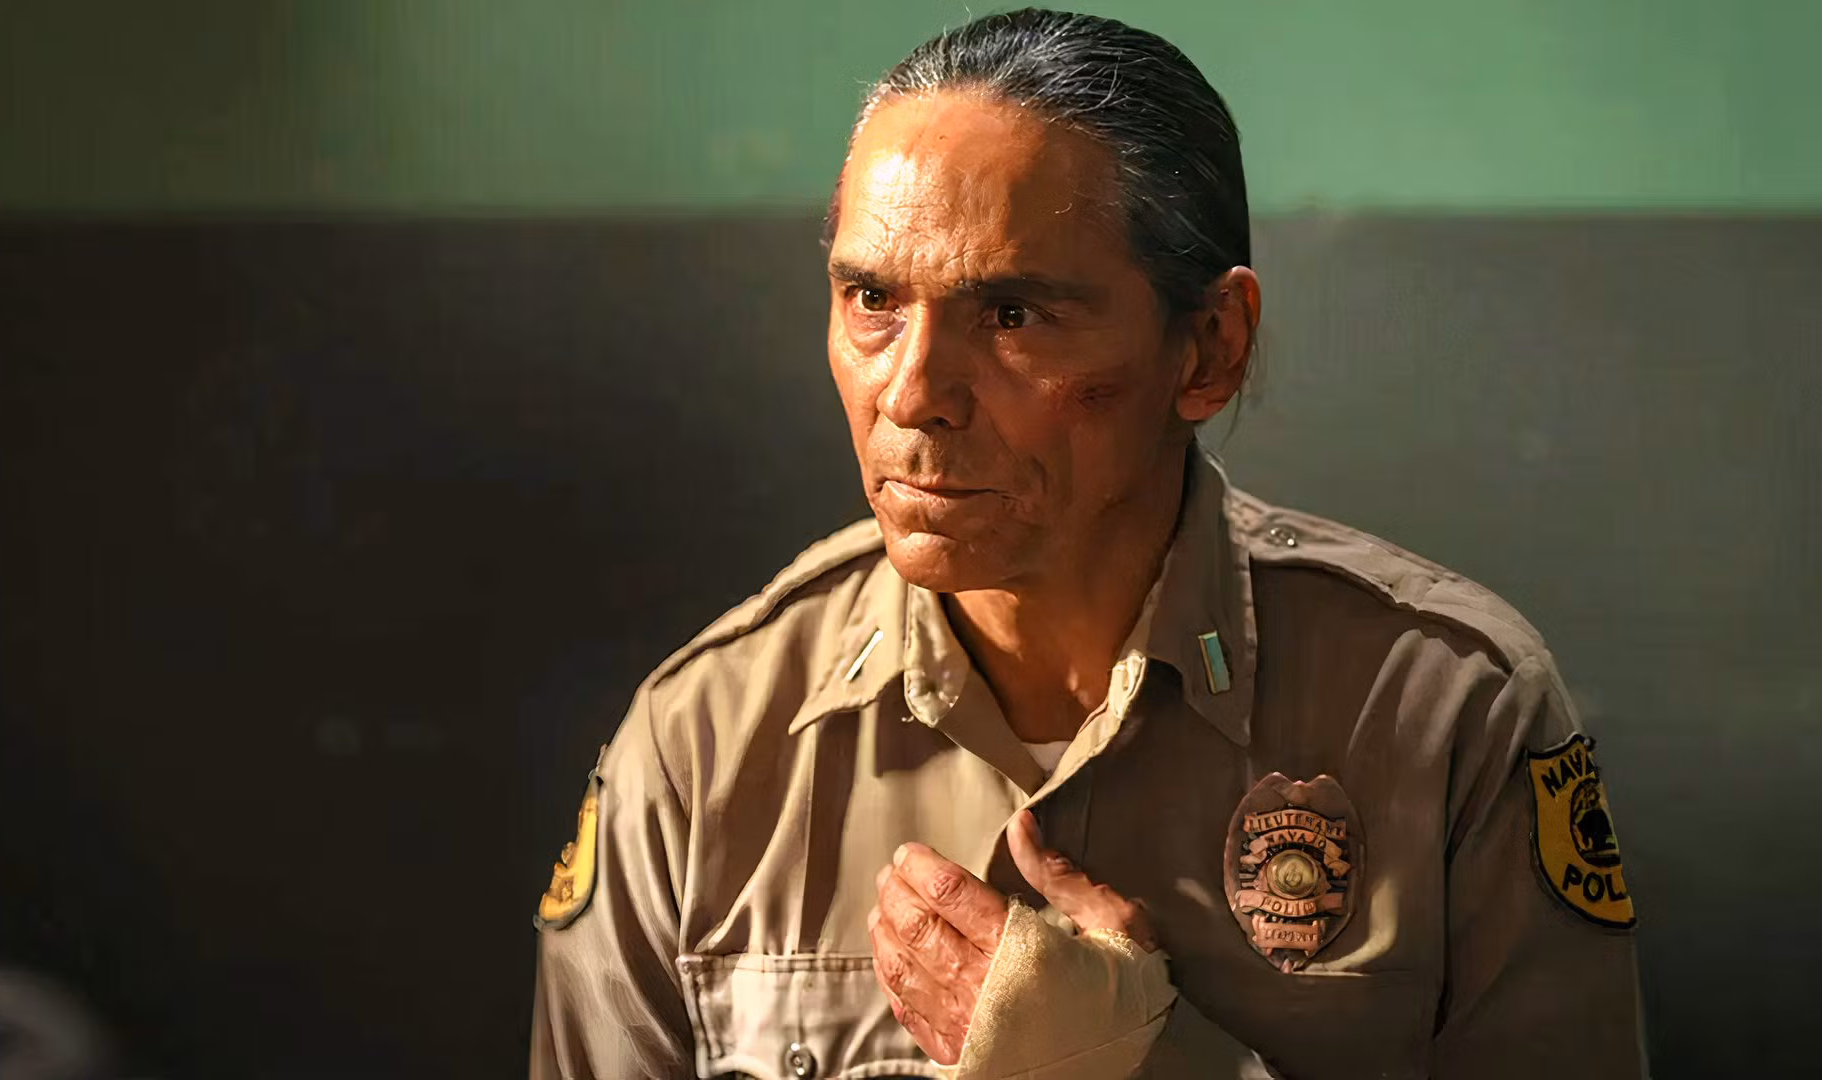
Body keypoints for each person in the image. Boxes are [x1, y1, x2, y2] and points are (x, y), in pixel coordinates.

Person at [530, 9, 1644, 1078]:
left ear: (1209, 349)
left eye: (1012, 316)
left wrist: (1137, 1065)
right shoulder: (703, 747)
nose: (911, 394)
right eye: (871, 298)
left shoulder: (1450, 714)